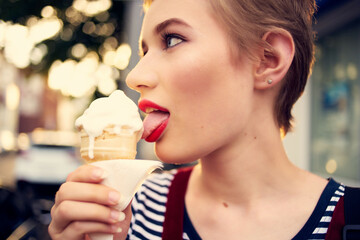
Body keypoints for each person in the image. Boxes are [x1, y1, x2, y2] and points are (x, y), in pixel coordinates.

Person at [48, 0, 358, 239]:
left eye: (171, 40)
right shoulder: (126, 212)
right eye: (144, 51)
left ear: (267, 59)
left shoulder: (352, 221)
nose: (135, 76)